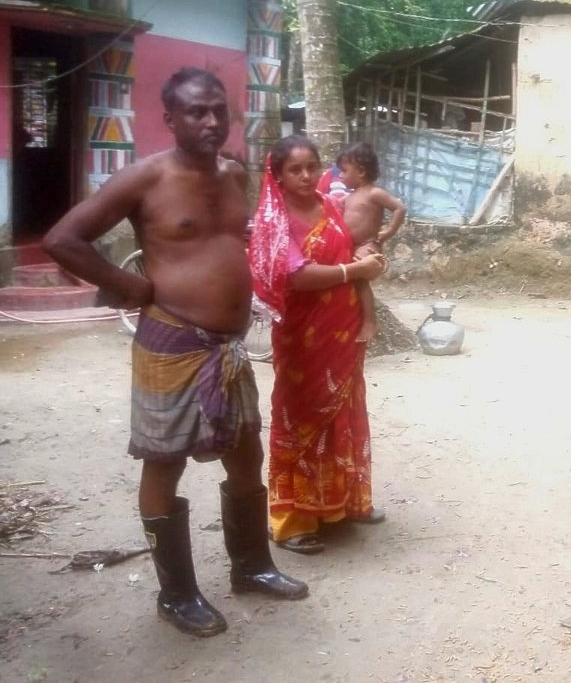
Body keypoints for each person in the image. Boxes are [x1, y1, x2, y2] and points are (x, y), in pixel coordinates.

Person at [43, 67, 307, 638]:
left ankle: (252, 567)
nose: (211, 121)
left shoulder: (237, 174)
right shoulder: (145, 179)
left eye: (219, 109)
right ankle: (177, 595)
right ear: (170, 119)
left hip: (228, 349)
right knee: (166, 462)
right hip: (172, 342)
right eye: (196, 112)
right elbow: (63, 239)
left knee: (245, 453)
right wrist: (135, 287)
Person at [249, 135, 387, 555]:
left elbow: (349, 245)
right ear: (277, 174)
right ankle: (292, 520)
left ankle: (342, 503)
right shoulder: (273, 219)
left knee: (344, 411)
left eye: (312, 166)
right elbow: (297, 275)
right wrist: (354, 269)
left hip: (343, 328)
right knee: (302, 413)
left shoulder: (331, 205)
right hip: (303, 334)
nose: (307, 175)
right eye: (296, 169)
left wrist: (366, 253)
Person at [336, 142, 407, 342]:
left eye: (343, 171)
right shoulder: (348, 198)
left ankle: (370, 322)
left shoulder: (374, 193)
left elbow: (399, 208)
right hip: (350, 246)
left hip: (368, 244)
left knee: (360, 278)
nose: (340, 176)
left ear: (360, 171)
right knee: (344, 278)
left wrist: (388, 232)